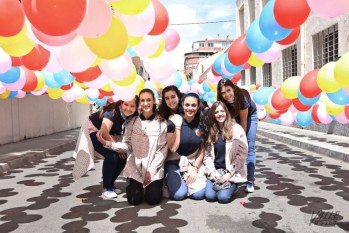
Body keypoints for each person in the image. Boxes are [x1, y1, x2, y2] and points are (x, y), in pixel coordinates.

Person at [97, 89, 168, 205]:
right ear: (139, 103)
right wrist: (106, 143)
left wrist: (151, 170)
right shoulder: (132, 122)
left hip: (153, 168)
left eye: (149, 100)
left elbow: (162, 151)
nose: (145, 103)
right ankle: (139, 186)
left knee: (153, 199)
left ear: (154, 101)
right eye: (143, 100)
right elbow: (127, 145)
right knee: (134, 200)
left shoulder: (162, 123)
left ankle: (155, 185)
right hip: (135, 167)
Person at [72, 97, 139, 199]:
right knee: (112, 156)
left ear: (137, 107)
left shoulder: (134, 116)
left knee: (123, 157)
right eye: (126, 104)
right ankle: (107, 188)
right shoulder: (113, 112)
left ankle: (111, 184)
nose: (128, 108)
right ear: (121, 104)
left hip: (108, 135)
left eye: (132, 106)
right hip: (94, 130)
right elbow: (104, 131)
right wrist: (117, 148)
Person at [217, 78, 258, 193]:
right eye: (223, 92)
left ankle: (250, 180)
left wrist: (241, 140)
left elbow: (244, 121)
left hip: (249, 116)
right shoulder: (222, 100)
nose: (226, 95)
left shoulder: (242, 98)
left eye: (229, 90)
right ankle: (231, 173)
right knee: (230, 145)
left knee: (248, 146)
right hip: (234, 117)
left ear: (233, 88)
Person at [203, 101, 248, 203]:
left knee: (223, 198)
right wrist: (212, 171)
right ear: (213, 115)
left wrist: (230, 174)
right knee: (210, 197)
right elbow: (207, 155)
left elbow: (242, 155)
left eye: (222, 111)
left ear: (226, 112)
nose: (220, 114)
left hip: (230, 172)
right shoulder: (211, 131)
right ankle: (221, 186)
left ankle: (234, 186)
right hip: (216, 171)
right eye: (216, 112)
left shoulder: (236, 129)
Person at [165, 93, 206, 201]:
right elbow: (172, 148)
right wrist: (178, 127)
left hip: (192, 163)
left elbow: (202, 148)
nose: (190, 108)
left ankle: (186, 182)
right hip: (174, 162)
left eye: (193, 105)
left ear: (198, 107)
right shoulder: (173, 121)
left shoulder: (202, 123)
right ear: (182, 105)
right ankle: (171, 180)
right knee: (179, 195)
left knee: (198, 195)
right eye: (187, 105)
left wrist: (195, 168)